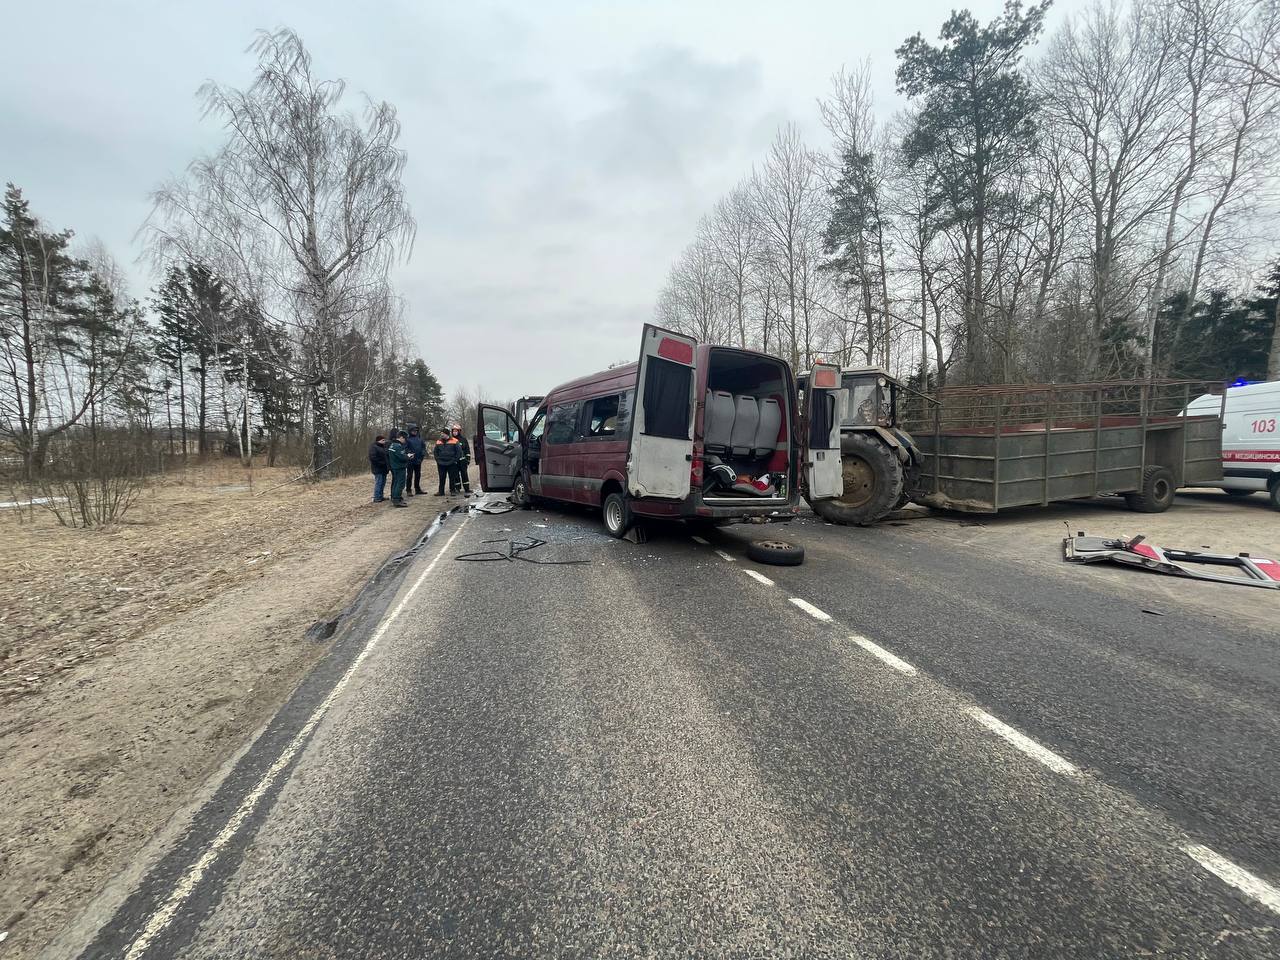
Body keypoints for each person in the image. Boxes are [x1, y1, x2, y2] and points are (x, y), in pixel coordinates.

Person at [387, 431, 414, 507]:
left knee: (395, 483)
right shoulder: (398, 446)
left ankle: (395, 497)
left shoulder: (392, 445)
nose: (405, 440)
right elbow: (402, 457)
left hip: (394, 467)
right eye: (405, 438)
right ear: (401, 437)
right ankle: (396, 499)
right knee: (400, 484)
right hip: (399, 467)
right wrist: (409, 456)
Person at [433, 427, 461, 496]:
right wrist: (438, 460)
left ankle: (452, 490)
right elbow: (435, 452)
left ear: (447, 434)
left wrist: (454, 460)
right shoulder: (438, 441)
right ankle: (441, 491)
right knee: (441, 478)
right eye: (441, 433)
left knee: (452, 477)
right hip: (441, 463)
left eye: (443, 433)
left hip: (451, 463)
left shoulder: (455, 441)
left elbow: (459, 452)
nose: (442, 435)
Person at [405, 426, 427, 496]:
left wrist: (423, 454)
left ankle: (417, 489)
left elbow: (423, 447)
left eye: (416, 431)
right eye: (413, 431)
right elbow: (405, 448)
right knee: (409, 475)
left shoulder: (420, 439)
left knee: (418, 475)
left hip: (418, 459)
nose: (415, 432)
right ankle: (408, 490)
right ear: (410, 431)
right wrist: (409, 453)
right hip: (410, 460)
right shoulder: (407, 439)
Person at [451, 423, 473, 495]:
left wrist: (468, 459)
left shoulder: (463, 439)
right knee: (455, 475)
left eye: (456, 431)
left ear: (459, 431)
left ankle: (467, 488)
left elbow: (467, 450)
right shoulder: (450, 440)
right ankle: (457, 488)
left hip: (463, 461)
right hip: (454, 461)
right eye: (453, 431)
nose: (454, 432)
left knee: (464, 474)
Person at [368, 434, 390, 502]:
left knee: (383, 483)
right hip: (378, 469)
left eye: (384, 440)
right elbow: (373, 458)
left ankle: (381, 496)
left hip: (384, 468)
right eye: (383, 440)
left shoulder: (383, 447)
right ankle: (376, 497)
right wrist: (381, 463)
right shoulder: (373, 447)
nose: (384, 441)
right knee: (379, 483)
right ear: (378, 440)